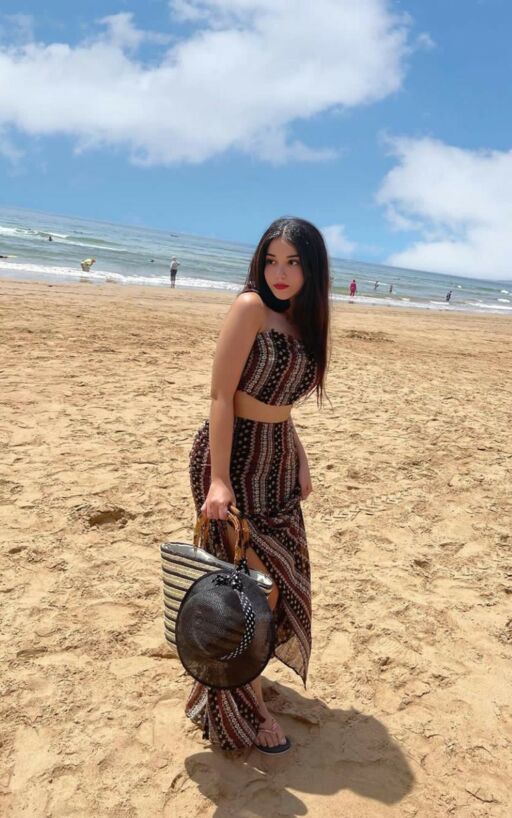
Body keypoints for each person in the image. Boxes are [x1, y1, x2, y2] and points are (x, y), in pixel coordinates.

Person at [186, 217, 330, 754]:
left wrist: (301, 459)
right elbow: (221, 397)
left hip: (278, 460)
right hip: (234, 458)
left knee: (280, 581)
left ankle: (236, 674)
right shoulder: (249, 308)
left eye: (292, 262)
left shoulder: (304, 323)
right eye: (271, 260)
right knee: (251, 587)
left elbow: (282, 406)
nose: (279, 272)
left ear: (312, 269)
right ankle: (250, 708)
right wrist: (219, 479)